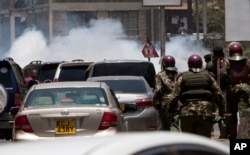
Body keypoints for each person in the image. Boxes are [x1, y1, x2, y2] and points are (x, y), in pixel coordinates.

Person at [167, 54, 225, 138]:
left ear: (188, 65)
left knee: (190, 143)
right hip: (205, 113)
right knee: (204, 142)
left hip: (187, 114)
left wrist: (169, 113)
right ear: (201, 64)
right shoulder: (208, 76)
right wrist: (221, 113)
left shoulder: (182, 77)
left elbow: (174, 97)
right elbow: (219, 95)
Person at [225, 42, 250, 139]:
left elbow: (223, 74)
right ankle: (243, 136)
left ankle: (233, 135)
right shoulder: (247, 61)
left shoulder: (227, 62)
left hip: (232, 89)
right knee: (244, 112)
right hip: (246, 89)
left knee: (232, 113)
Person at [153, 55, 179, 131]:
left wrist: (155, 102)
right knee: (175, 124)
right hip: (177, 103)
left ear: (164, 64)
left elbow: (157, 90)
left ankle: (168, 141)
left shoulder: (160, 75)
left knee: (165, 126)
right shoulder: (179, 74)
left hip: (165, 104)